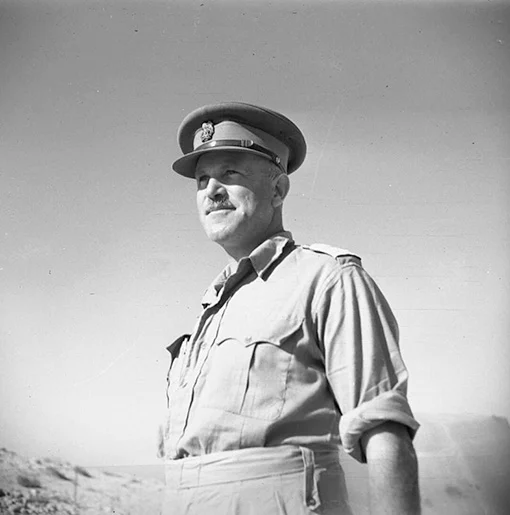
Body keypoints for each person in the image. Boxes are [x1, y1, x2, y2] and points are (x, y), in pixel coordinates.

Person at [159, 102, 421, 515]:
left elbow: (383, 428)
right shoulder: (213, 305)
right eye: (202, 179)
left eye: (230, 173)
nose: (210, 191)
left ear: (278, 190)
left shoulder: (327, 278)